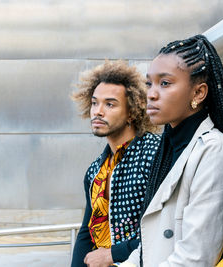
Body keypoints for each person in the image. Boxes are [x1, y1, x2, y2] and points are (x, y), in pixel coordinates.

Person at [120, 35, 223, 267]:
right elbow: (148, 246)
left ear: (198, 93)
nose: (152, 94)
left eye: (165, 83)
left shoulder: (214, 150)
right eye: (149, 83)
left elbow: (195, 258)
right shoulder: (168, 148)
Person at [71, 61, 161, 267]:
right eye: (94, 103)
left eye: (109, 104)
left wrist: (113, 253)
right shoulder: (95, 170)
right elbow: (86, 232)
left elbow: (163, 228)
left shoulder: (154, 152)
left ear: (132, 111)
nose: (98, 112)